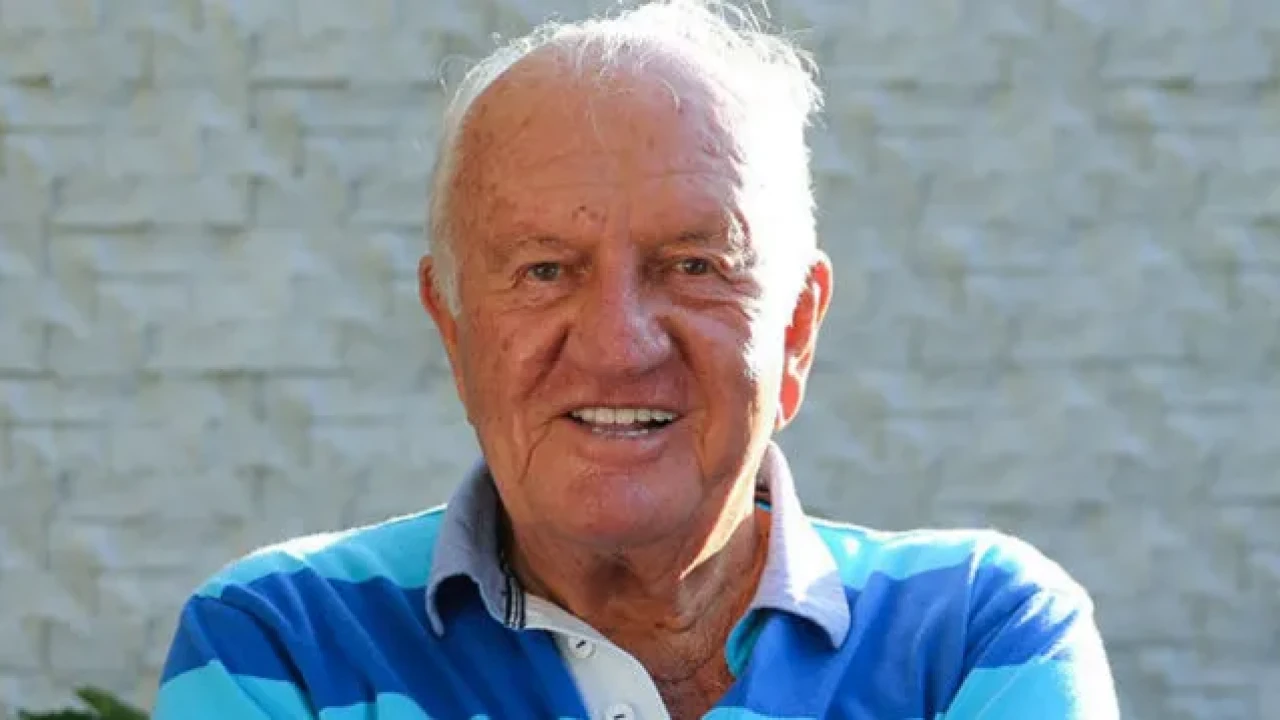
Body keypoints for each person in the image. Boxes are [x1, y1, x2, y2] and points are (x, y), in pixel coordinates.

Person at [153, 1, 1120, 718]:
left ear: (796, 330)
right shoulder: (282, 644)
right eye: (544, 270)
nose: (618, 346)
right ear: (454, 328)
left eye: (694, 266)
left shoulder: (975, 635)